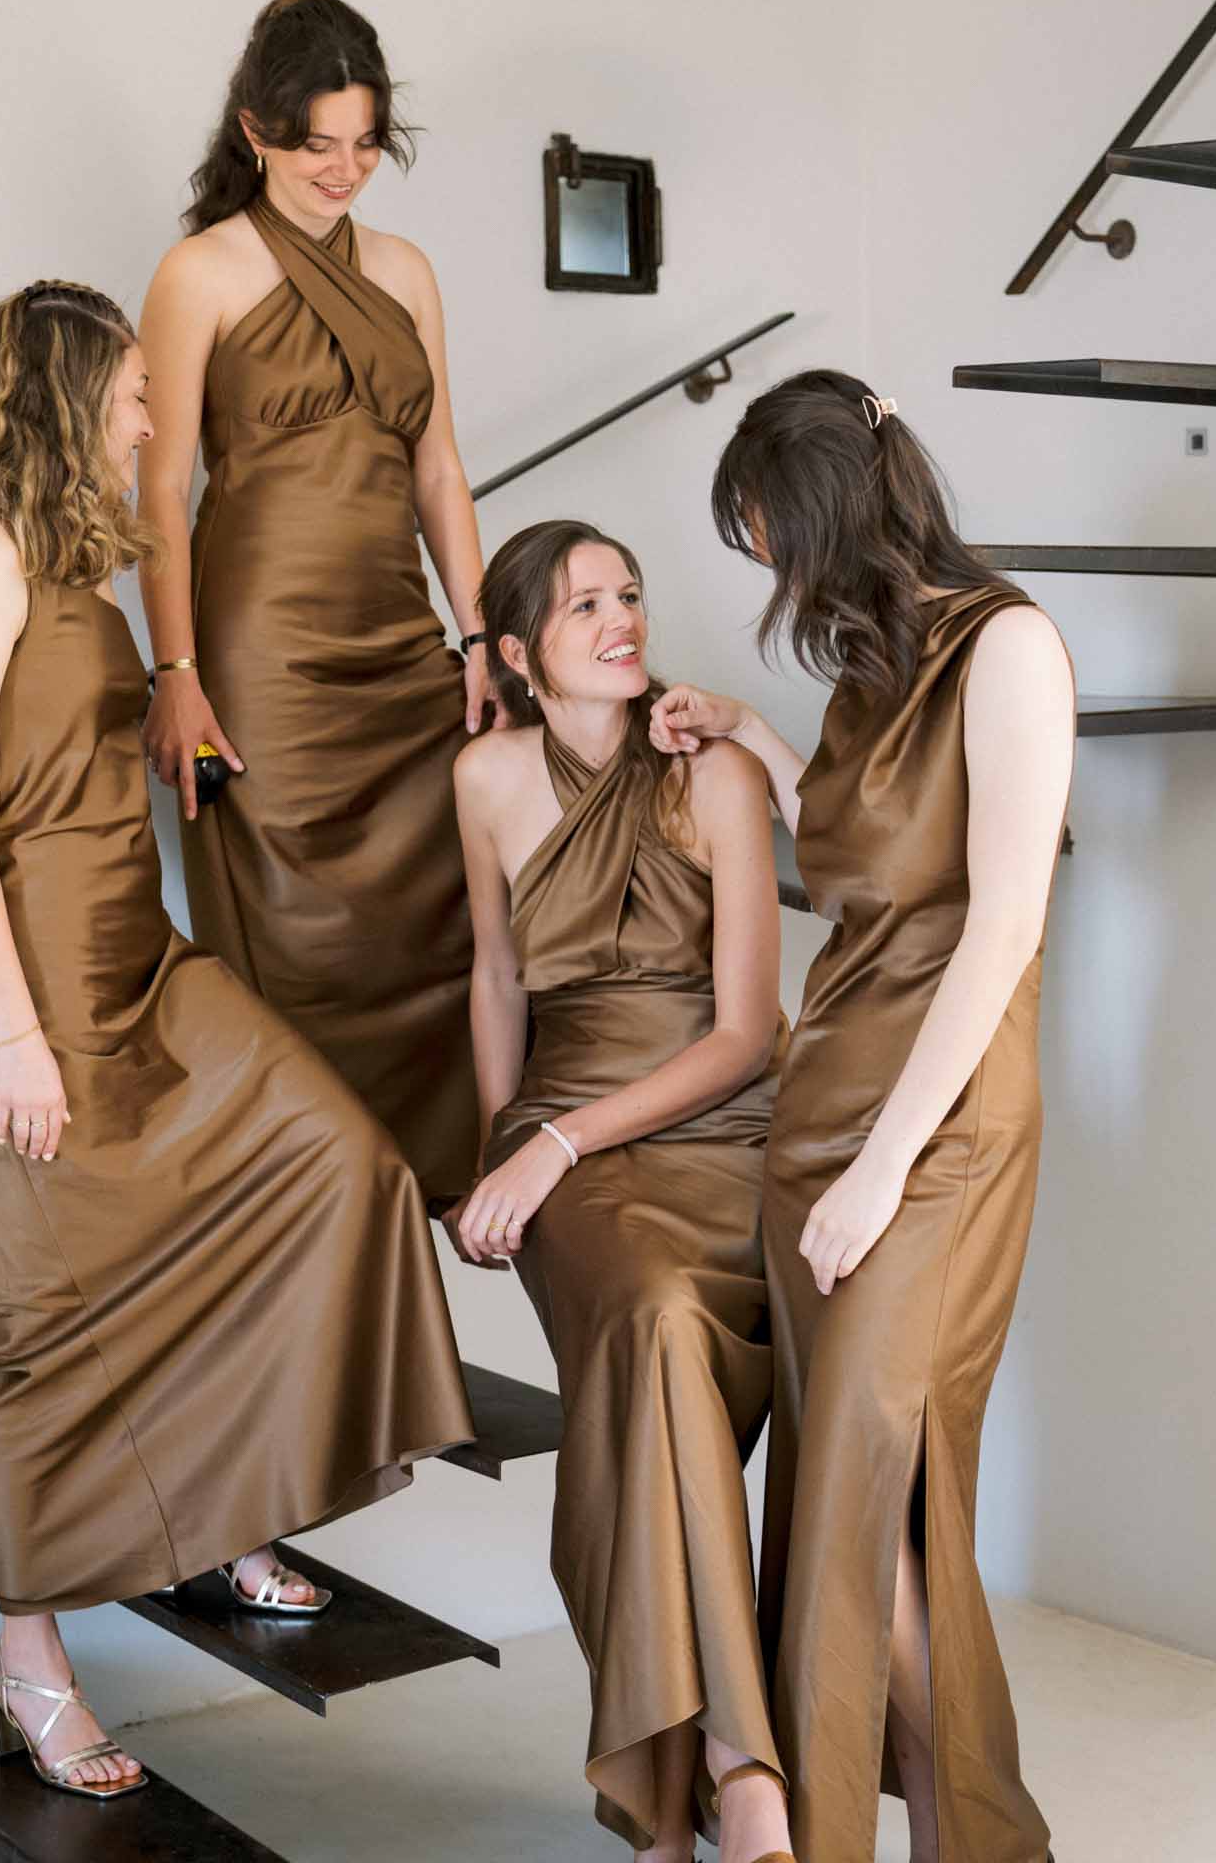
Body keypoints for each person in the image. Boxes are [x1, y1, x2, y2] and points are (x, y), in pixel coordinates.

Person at [0, 280, 474, 1800]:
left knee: (329, 1161)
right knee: (39, 1326)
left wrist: (174, 722)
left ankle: (224, 1514)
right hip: (30, 996)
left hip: (139, 962)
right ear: (66, 394)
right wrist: (17, 1034)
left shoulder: (89, 567)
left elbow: (83, 748)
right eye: (136, 392)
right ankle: (28, 1672)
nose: (156, 415)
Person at [650, 370, 1072, 1863]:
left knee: (865, 1508)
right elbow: (849, 867)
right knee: (856, 1522)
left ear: (828, 510)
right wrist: (750, 736)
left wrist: (881, 1172)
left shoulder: (1007, 648)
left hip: (934, 1133)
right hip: (825, 1114)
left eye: (767, 532)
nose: (765, 567)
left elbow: (996, 928)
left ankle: (969, 1840)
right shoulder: (861, 674)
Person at [452, 520, 795, 1863]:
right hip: (562, 1146)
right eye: (584, 602)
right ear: (519, 653)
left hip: (721, 1128)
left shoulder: (707, 772)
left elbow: (743, 1034)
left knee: (653, 1362)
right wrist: (506, 1143)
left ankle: (674, 1802)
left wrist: (556, 1147)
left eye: (630, 595)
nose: (621, 619)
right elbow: (492, 976)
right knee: (647, 1322)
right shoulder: (482, 776)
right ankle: (739, 1778)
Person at [137, 0, 491, 1204]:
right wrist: (173, 674)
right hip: (261, 661)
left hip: (400, 645)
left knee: (444, 931)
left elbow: (439, 467)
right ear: (253, 131)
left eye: (361, 144)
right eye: (314, 144)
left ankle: (421, 1217)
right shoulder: (198, 272)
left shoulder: (406, 270)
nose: (342, 171)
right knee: (290, 957)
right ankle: (309, 1228)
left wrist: (480, 634)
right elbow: (160, 497)